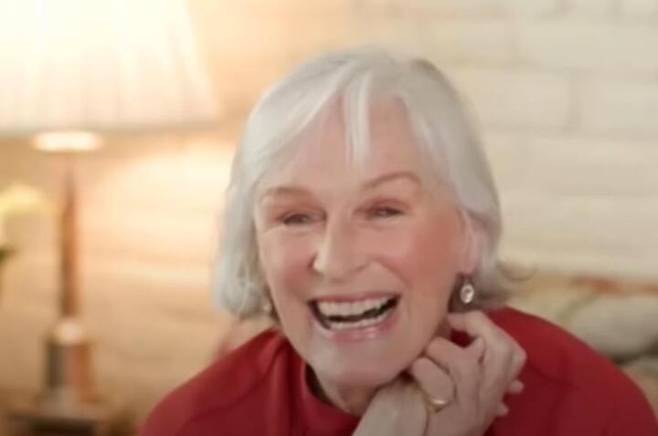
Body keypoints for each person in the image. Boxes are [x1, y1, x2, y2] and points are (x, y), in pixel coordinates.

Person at [142, 49, 658, 436]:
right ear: (257, 250)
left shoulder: (592, 413)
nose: (335, 260)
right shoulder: (190, 425)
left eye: (383, 211)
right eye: (296, 217)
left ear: (469, 235)